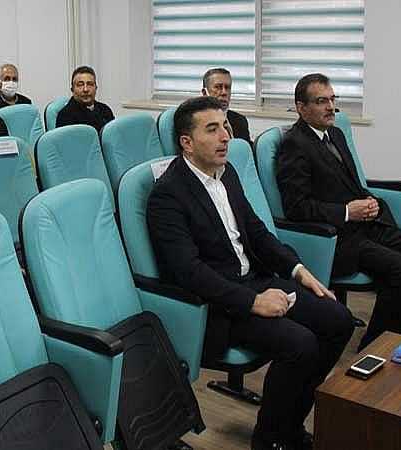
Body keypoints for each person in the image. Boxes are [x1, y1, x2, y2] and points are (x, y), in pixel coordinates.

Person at [147, 96, 353, 450]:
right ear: (187, 142)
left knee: (339, 320)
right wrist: (254, 302)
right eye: (212, 129)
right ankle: (269, 439)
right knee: (300, 344)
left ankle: (289, 426)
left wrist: (298, 270)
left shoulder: (226, 174)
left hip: (255, 279)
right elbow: (190, 273)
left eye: (225, 126)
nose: (225, 136)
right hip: (219, 305)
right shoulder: (167, 195)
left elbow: (257, 232)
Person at [277, 73, 401, 350]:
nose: (331, 107)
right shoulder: (294, 145)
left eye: (332, 99)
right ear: (301, 107)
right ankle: (376, 347)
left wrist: (369, 201)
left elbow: (351, 184)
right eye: (321, 101)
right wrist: (346, 212)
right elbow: (297, 208)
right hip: (336, 238)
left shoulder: (336, 134)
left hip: (366, 226)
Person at [56, 65, 115, 133]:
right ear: (72, 89)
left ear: (96, 88)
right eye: (80, 85)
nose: (85, 89)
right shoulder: (65, 116)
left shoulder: (105, 110)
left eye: (90, 84)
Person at [201, 68, 251, 144]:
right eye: (218, 87)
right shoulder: (196, 122)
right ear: (205, 93)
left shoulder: (240, 121)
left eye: (227, 87)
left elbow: (247, 149)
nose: (224, 93)